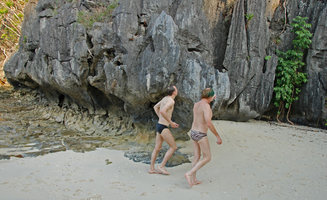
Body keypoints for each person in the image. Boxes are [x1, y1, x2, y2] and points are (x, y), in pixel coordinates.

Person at [185, 88, 222, 187]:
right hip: (201, 134)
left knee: (197, 156)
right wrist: (217, 136)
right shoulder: (206, 106)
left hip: (193, 132)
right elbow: (208, 123)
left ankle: (193, 179)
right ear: (210, 96)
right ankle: (189, 173)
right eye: (214, 95)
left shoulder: (196, 104)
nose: (214, 97)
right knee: (207, 157)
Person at [148, 85, 179, 175]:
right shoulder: (171, 101)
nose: (177, 90)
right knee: (173, 147)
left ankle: (151, 168)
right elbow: (162, 111)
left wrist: (161, 118)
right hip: (163, 127)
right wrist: (171, 122)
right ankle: (161, 166)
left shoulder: (165, 98)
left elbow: (155, 107)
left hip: (159, 125)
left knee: (157, 148)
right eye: (176, 89)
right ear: (174, 92)